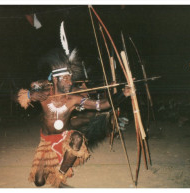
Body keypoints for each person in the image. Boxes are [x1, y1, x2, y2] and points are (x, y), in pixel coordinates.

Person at [17, 48, 131, 188]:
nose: (70, 82)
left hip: (65, 138)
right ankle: (56, 178)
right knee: (39, 182)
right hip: (46, 142)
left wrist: (123, 94)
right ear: (55, 78)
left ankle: (60, 176)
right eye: (65, 79)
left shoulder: (73, 99)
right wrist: (29, 95)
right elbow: (15, 97)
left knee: (77, 137)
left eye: (70, 79)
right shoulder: (44, 95)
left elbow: (102, 105)